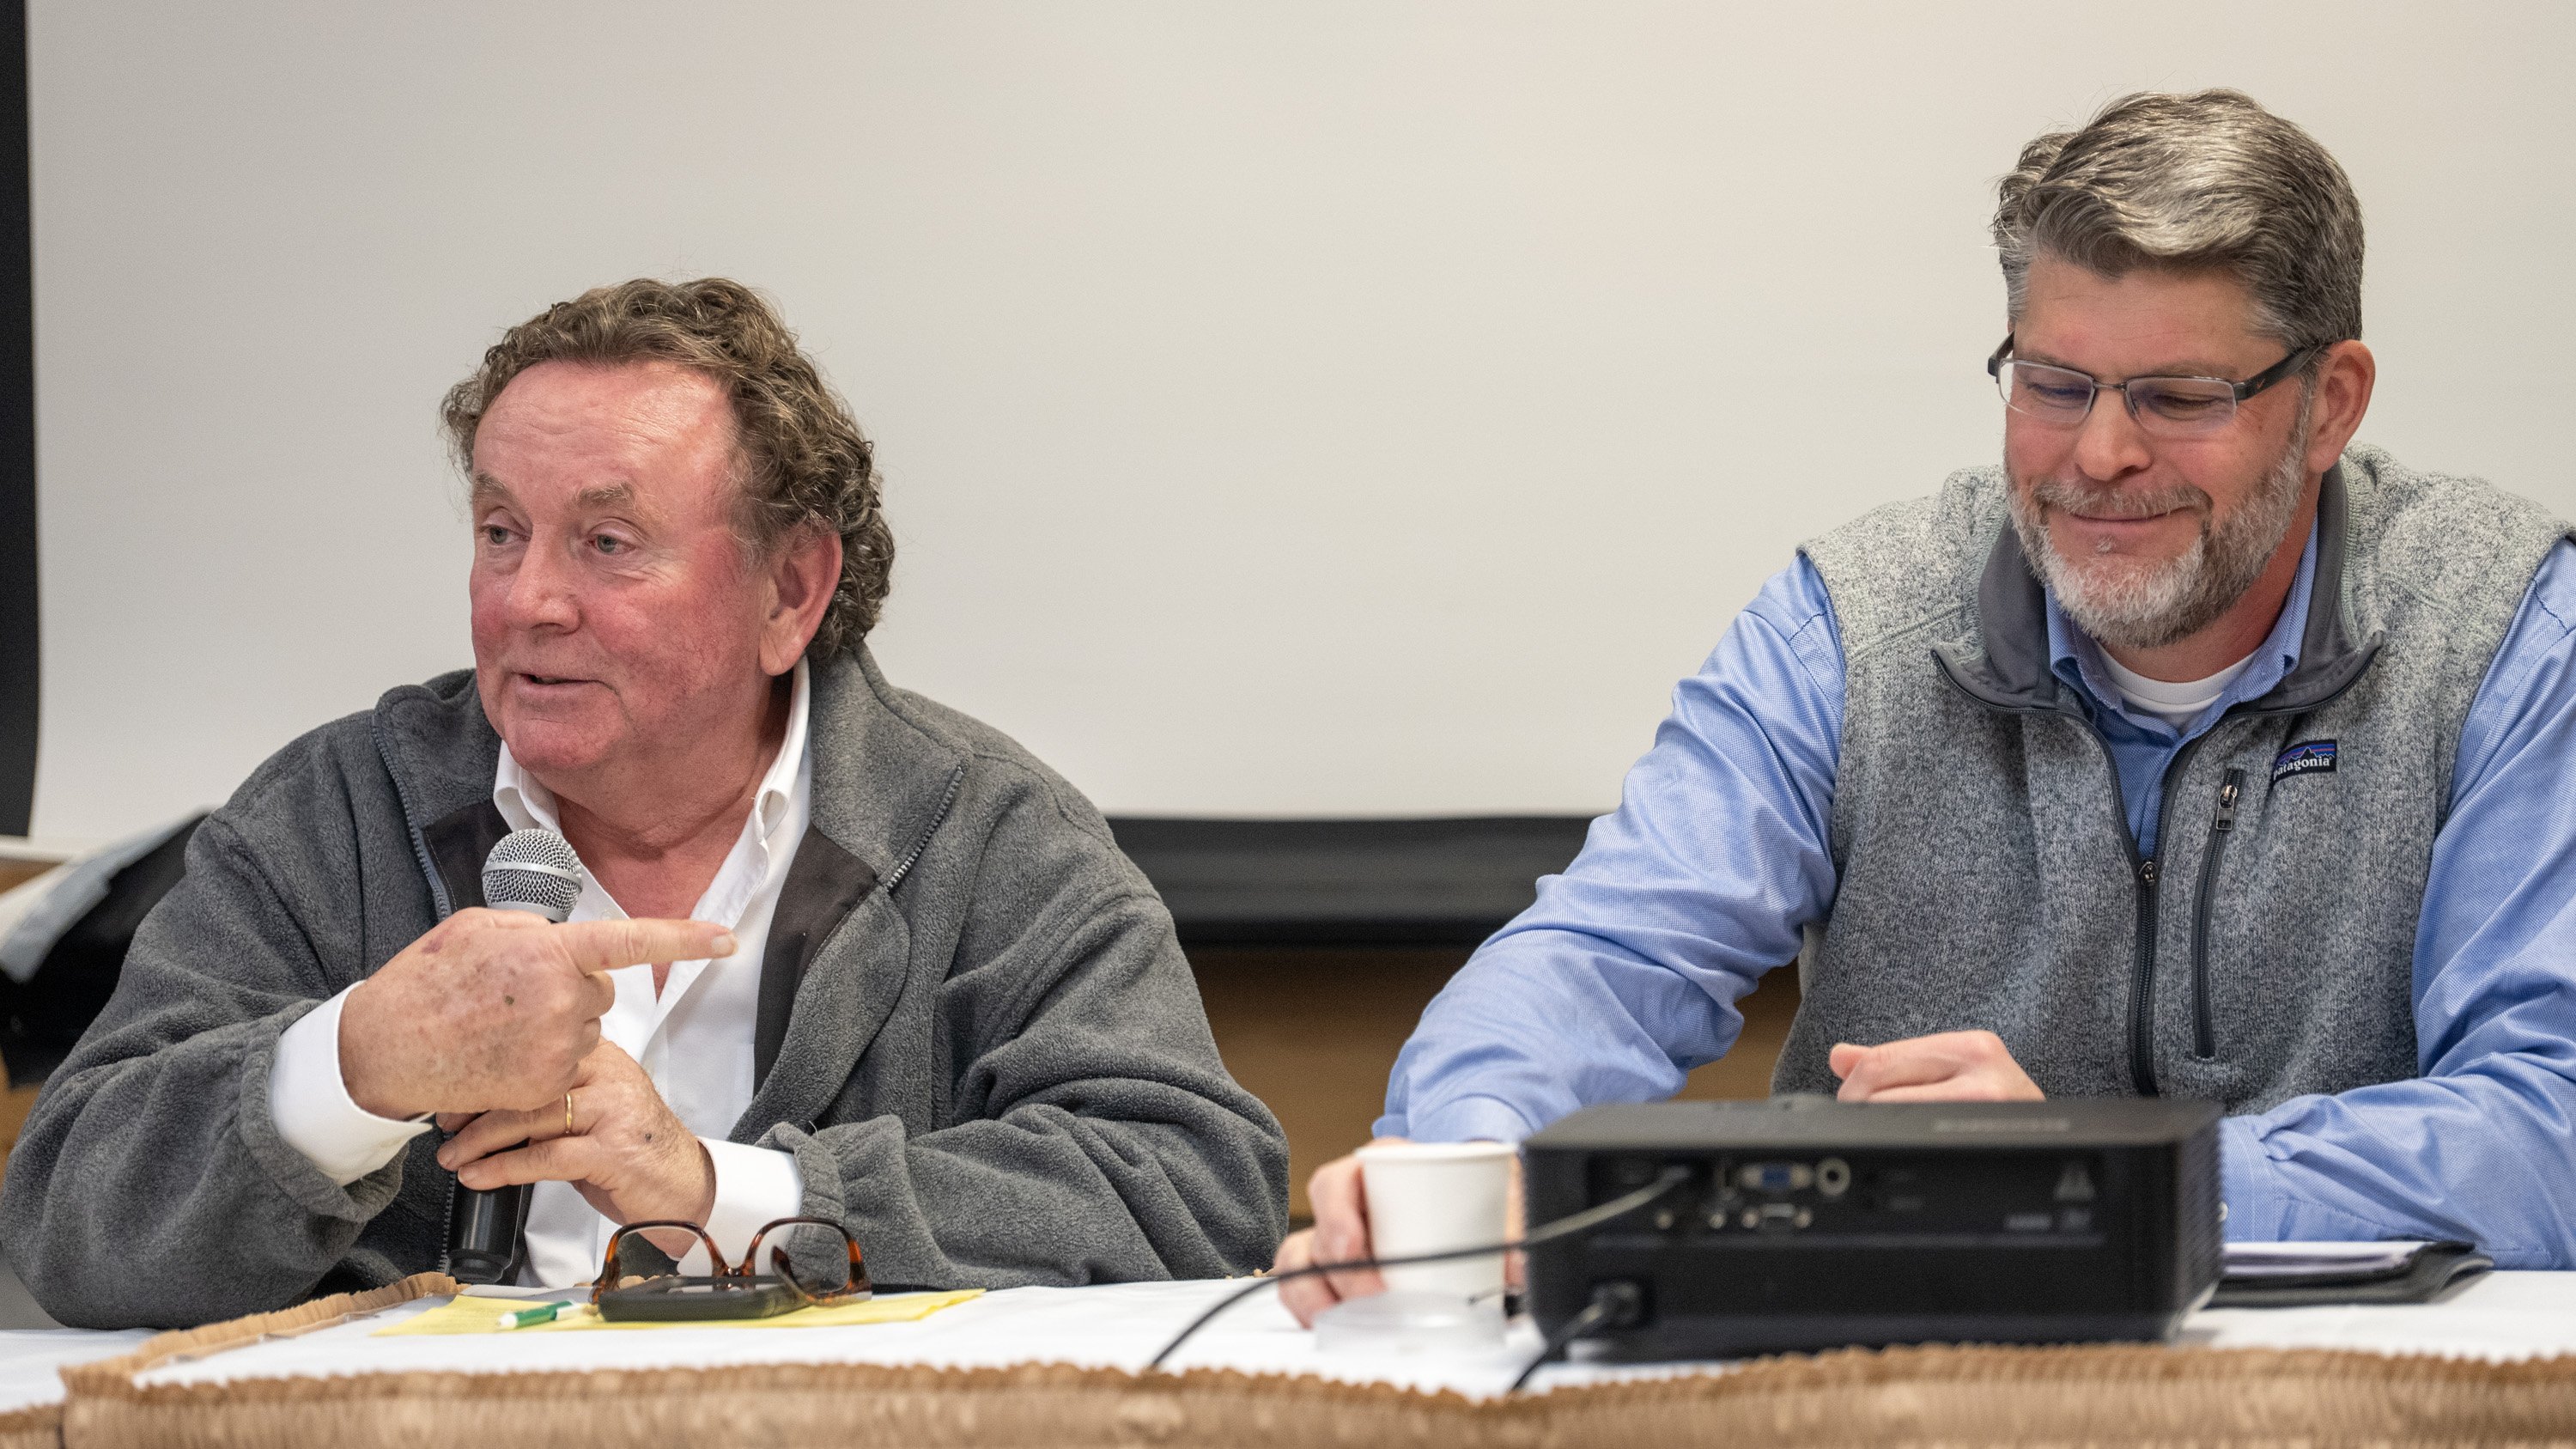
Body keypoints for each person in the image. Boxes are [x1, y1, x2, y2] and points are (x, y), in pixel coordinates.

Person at [1279, 89, 2576, 1324]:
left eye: (2178, 398)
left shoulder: (2503, 630)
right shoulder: (1857, 625)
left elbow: (2549, 1119)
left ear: (2330, 404)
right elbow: (1609, 952)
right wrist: (1459, 1160)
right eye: (2054, 385)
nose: (2101, 455)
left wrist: (2106, 1180)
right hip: (1899, 1387)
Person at [2, 278, 1287, 1329]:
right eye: (501, 531)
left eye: (606, 543)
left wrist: (718, 1191)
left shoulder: (979, 827)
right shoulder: (335, 813)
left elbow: (1191, 1185)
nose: (527, 601)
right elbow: (67, 1218)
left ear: (791, 589)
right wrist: (353, 1066)